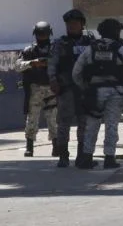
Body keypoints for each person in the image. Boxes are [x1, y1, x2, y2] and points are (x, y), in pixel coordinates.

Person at [72, 18, 123, 170]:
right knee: (111, 125)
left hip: (94, 92)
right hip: (116, 92)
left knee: (91, 125)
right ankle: (109, 158)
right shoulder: (119, 47)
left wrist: (84, 87)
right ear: (116, 32)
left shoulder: (91, 49)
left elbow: (76, 72)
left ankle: (87, 157)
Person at [49, 9, 97, 168]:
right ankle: (63, 156)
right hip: (66, 88)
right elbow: (52, 64)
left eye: (75, 23)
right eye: (69, 24)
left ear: (82, 25)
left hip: (84, 89)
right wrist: (53, 80)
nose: (72, 26)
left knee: (84, 122)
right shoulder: (60, 43)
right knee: (63, 122)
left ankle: (82, 156)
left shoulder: (90, 43)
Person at [16, 22, 58, 157]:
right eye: (40, 34)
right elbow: (18, 66)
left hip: (52, 87)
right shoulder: (29, 50)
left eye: (44, 34)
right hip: (35, 88)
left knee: (53, 118)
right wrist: (32, 63)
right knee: (32, 118)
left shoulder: (56, 49)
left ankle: (56, 147)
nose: (42, 37)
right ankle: (30, 147)